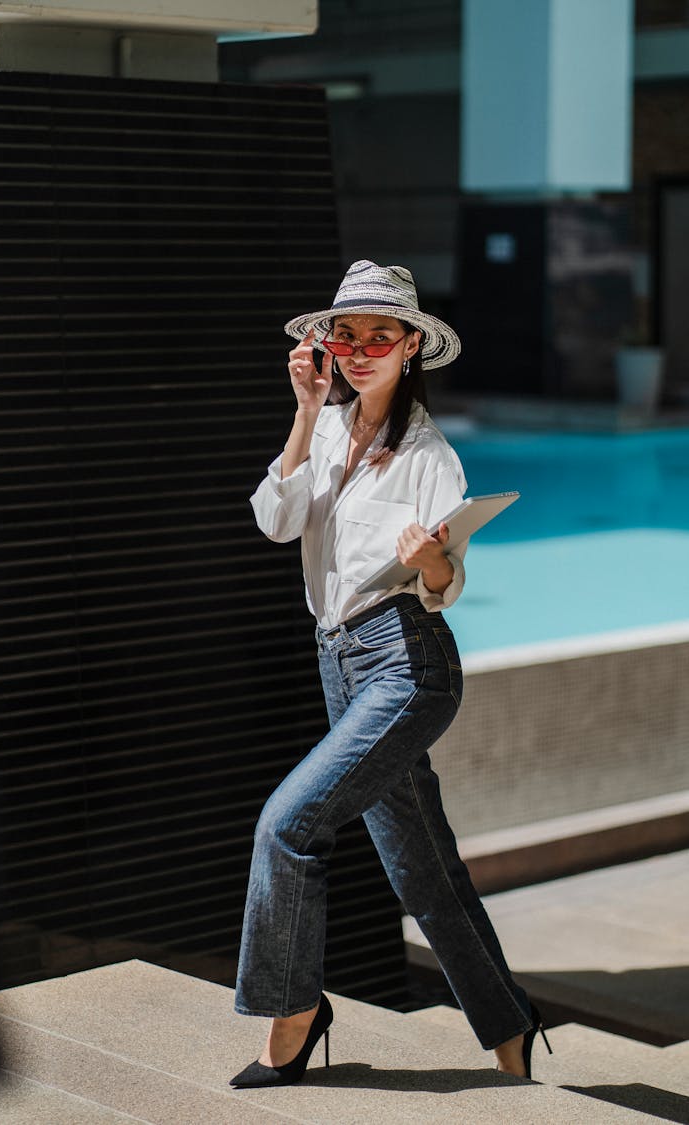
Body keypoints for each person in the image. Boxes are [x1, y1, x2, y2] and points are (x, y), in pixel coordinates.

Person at [230, 260, 551, 1090]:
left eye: (382, 334)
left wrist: (435, 561)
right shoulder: (329, 426)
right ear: (326, 346)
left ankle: (294, 1016)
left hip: (406, 666)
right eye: (348, 333)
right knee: (422, 870)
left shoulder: (431, 457)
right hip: (339, 661)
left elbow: (445, 589)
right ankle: (511, 1027)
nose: (362, 347)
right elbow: (275, 520)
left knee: (286, 825)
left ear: (412, 346)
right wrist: (303, 413)